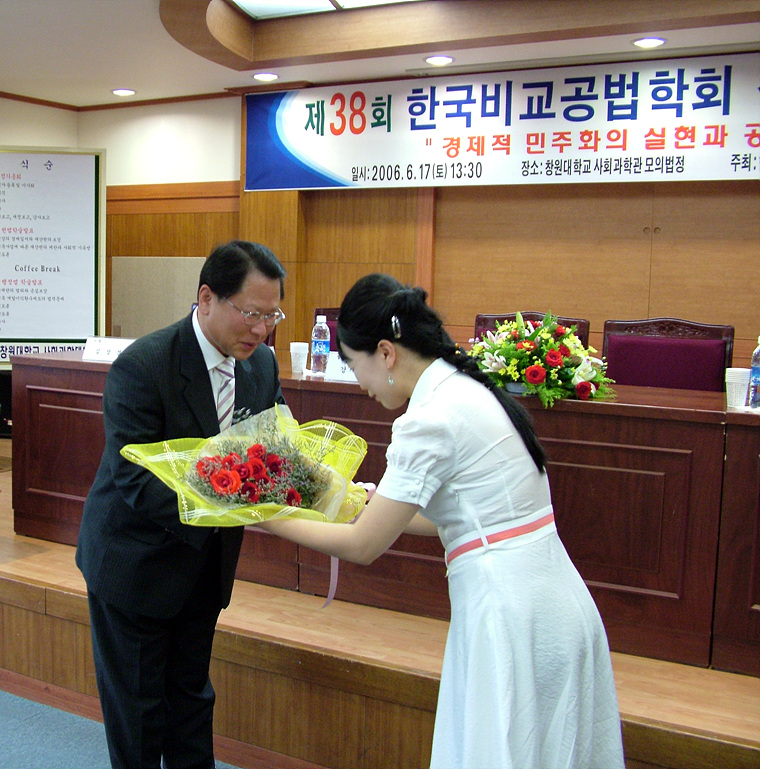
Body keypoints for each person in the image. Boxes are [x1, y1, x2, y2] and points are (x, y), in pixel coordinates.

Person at [258, 274, 624, 769]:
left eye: (354, 365)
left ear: (386, 353)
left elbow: (364, 546)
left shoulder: (428, 419)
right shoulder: (465, 388)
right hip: (552, 607)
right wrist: (362, 500)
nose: (359, 383)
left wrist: (265, 514)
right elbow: (456, 517)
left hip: (511, 616)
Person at [75, 240, 287, 769]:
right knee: (139, 712)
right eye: (251, 313)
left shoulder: (261, 365)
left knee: (191, 699)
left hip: (204, 565)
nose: (262, 330)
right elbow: (134, 478)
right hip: (136, 562)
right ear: (207, 297)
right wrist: (226, 507)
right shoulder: (144, 365)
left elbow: (277, 444)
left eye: (272, 316)